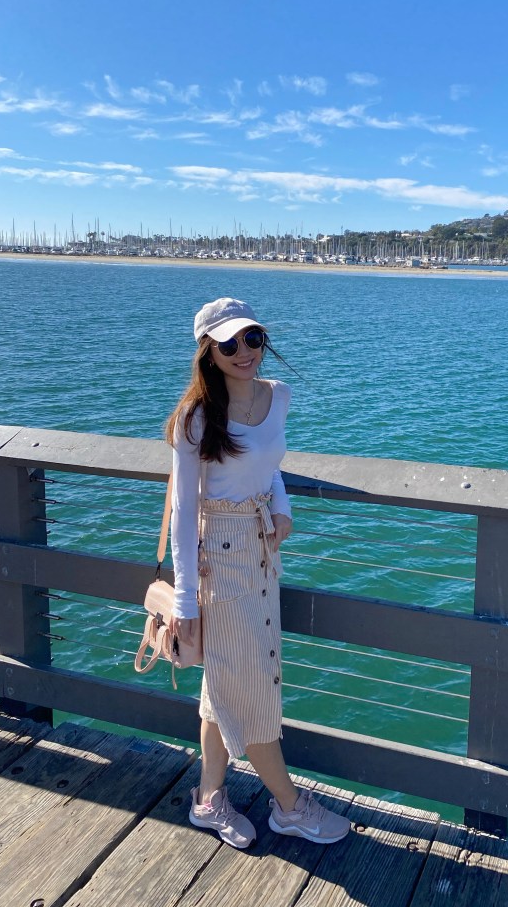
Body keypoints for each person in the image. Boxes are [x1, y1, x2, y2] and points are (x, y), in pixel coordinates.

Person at [167, 297, 350, 850]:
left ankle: (208, 800)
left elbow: (270, 468)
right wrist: (185, 601)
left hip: (261, 549)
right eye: (229, 344)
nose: (244, 352)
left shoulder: (278, 396)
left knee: (225, 682)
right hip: (217, 559)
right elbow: (184, 511)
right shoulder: (197, 418)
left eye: (252, 338)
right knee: (250, 688)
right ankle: (290, 807)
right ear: (209, 353)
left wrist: (282, 507)